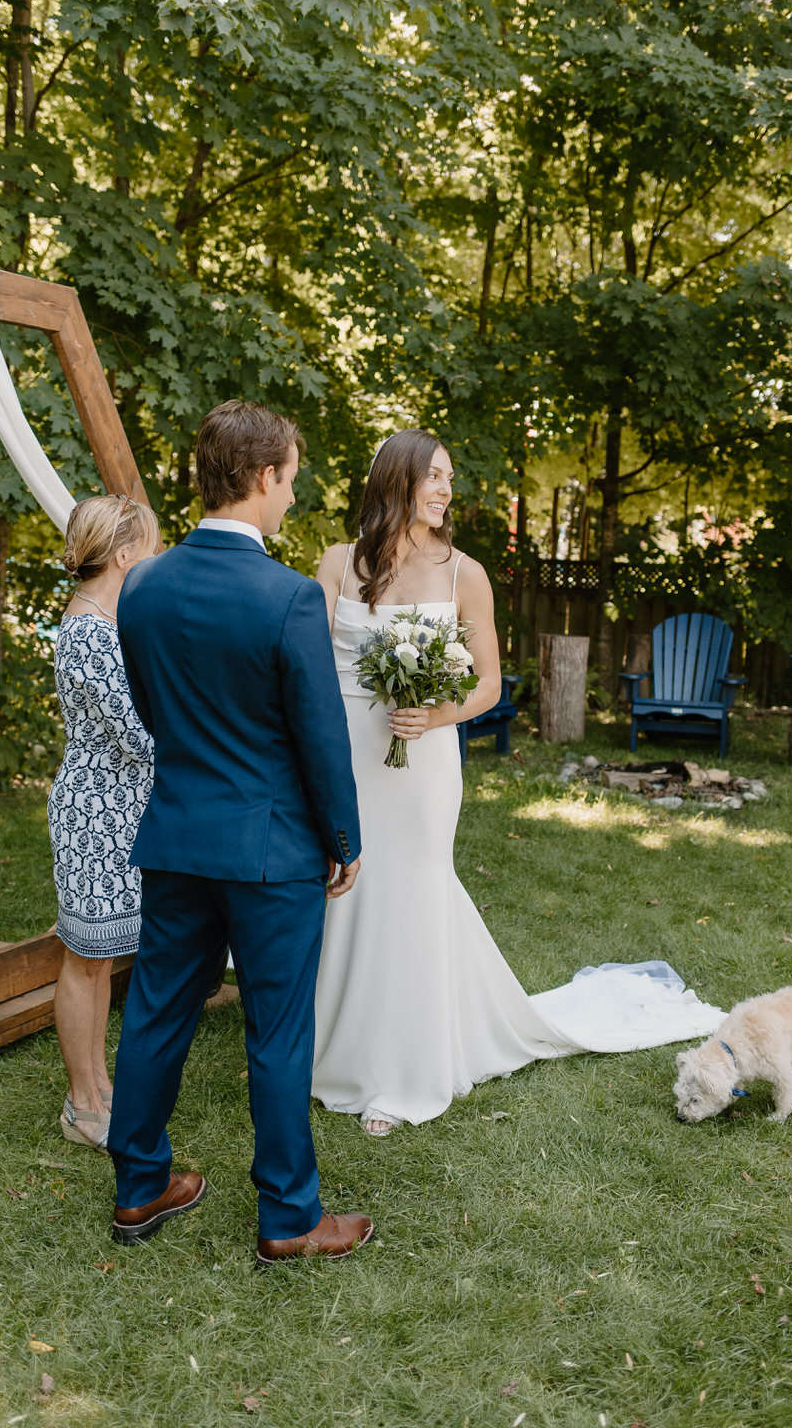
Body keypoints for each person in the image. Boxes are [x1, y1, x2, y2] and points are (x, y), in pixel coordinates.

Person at [312, 430, 725, 1135]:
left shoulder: (461, 574)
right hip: (348, 752)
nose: (446, 490)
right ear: (396, 482)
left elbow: (489, 685)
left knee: (413, 887)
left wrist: (436, 712)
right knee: (347, 889)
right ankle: (332, 1051)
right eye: (433, 477)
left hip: (424, 761)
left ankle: (409, 1069)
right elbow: (312, 669)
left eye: (449, 478)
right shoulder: (332, 564)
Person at [106, 400, 374, 1263]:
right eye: (291, 479)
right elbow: (319, 736)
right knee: (277, 1031)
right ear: (264, 477)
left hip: (177, 836)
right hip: (270, 853)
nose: (291, 497)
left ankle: (139, 1189)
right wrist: (343, 837)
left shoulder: (142, 583)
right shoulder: (289, 597)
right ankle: (289, 1217)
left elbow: (153, 713)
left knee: (154, 1015)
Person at [48, 493, 160, 1150]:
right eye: (145, 549)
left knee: (101, 956)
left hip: (121, 809)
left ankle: (100, 1084)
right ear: (122, 555)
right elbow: (137, 736)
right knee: (87, 958)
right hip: (95, 814)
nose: (150, 561)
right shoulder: (90, 632)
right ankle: (83, 1102)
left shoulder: (105, 620)